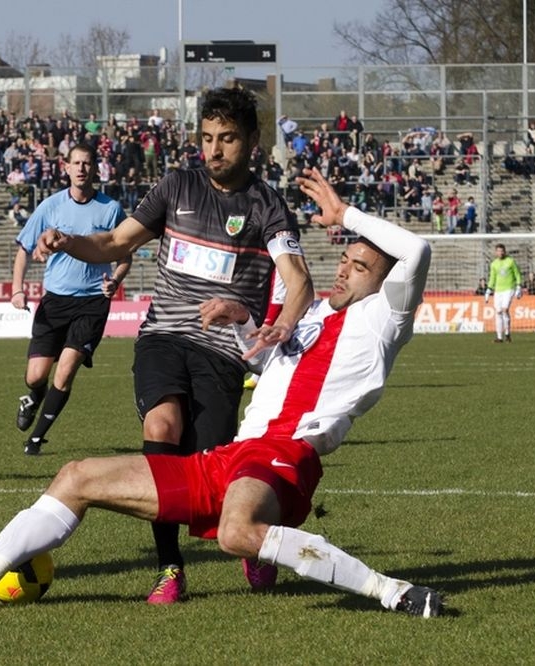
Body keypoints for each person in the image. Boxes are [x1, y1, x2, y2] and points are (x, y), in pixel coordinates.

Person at [0, 168, 442, 618]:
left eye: (360, 267)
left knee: (235, 532)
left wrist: (345, 214)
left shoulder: (384, 317)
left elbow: (415, 249)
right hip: (232, 457)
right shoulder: (315, 315)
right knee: (76, 476)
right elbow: (265, 362)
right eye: (344, 260)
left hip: (284, 454)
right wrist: (242, 320)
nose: (344, 272)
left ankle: (391, 591)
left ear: (384, 280)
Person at [31, 87, 313, 604]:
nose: (214, 150)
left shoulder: (266, 205)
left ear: (252, 141)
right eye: (206, 138)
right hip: (162, 336)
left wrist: (283, 324)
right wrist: (68, 242)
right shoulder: (176, 185)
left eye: (227, 138)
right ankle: (169, 567)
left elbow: (298, 279)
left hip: (223, 352)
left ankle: (250, 540)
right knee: (161, 427)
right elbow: (116, 242)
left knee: (210, 469)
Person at [11, 142, 132, 455]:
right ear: (66, 168)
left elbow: (125, 255)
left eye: (86, 163)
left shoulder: (111, 209)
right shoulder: (50, 206)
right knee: (35, 376)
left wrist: (115, 280)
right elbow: (24, 248)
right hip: (55, 301)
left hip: (92, 302)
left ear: (95, 168)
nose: (81, 168)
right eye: (75, 163)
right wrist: (17, 288)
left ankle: (35, 439)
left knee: (65, 371)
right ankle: (34, 397)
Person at [485, 243, 523, 343]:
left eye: (502, 251)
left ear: (505, 251)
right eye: (498, 251)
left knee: (505, 309)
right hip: (498, 290)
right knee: (498, 312)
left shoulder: (510, 261)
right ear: (495, 252)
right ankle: (499, 337)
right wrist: (489, 289)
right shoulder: (494, 264)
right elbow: (492, 278)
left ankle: (507, 334)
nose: (500, 253)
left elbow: (517, 274)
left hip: (509, 288)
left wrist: (519, 286)